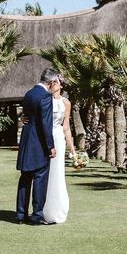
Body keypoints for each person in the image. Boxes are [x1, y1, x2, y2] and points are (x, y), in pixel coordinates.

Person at [16, 68, 59, 225]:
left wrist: (23, 118)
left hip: (27, 140)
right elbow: (45, 124)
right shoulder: (45, 96)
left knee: (25, 178)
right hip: (39, 144)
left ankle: (20, 215)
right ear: (51, 82)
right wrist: (50, 146)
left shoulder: (29, 93)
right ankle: (36, 216)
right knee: (40, 178)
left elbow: (25, 115)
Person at [42, 75, 76, 224]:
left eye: (55, 82)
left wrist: (72, 150)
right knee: (45, 175)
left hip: (59, 140)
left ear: (61, 85)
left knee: (57, 174)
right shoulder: (44, 99)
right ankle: (42, 210)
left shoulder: (66, 103)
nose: (52, 84)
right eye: (51, 81)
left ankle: (57, 210)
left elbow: (66, 128)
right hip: (44, 139)